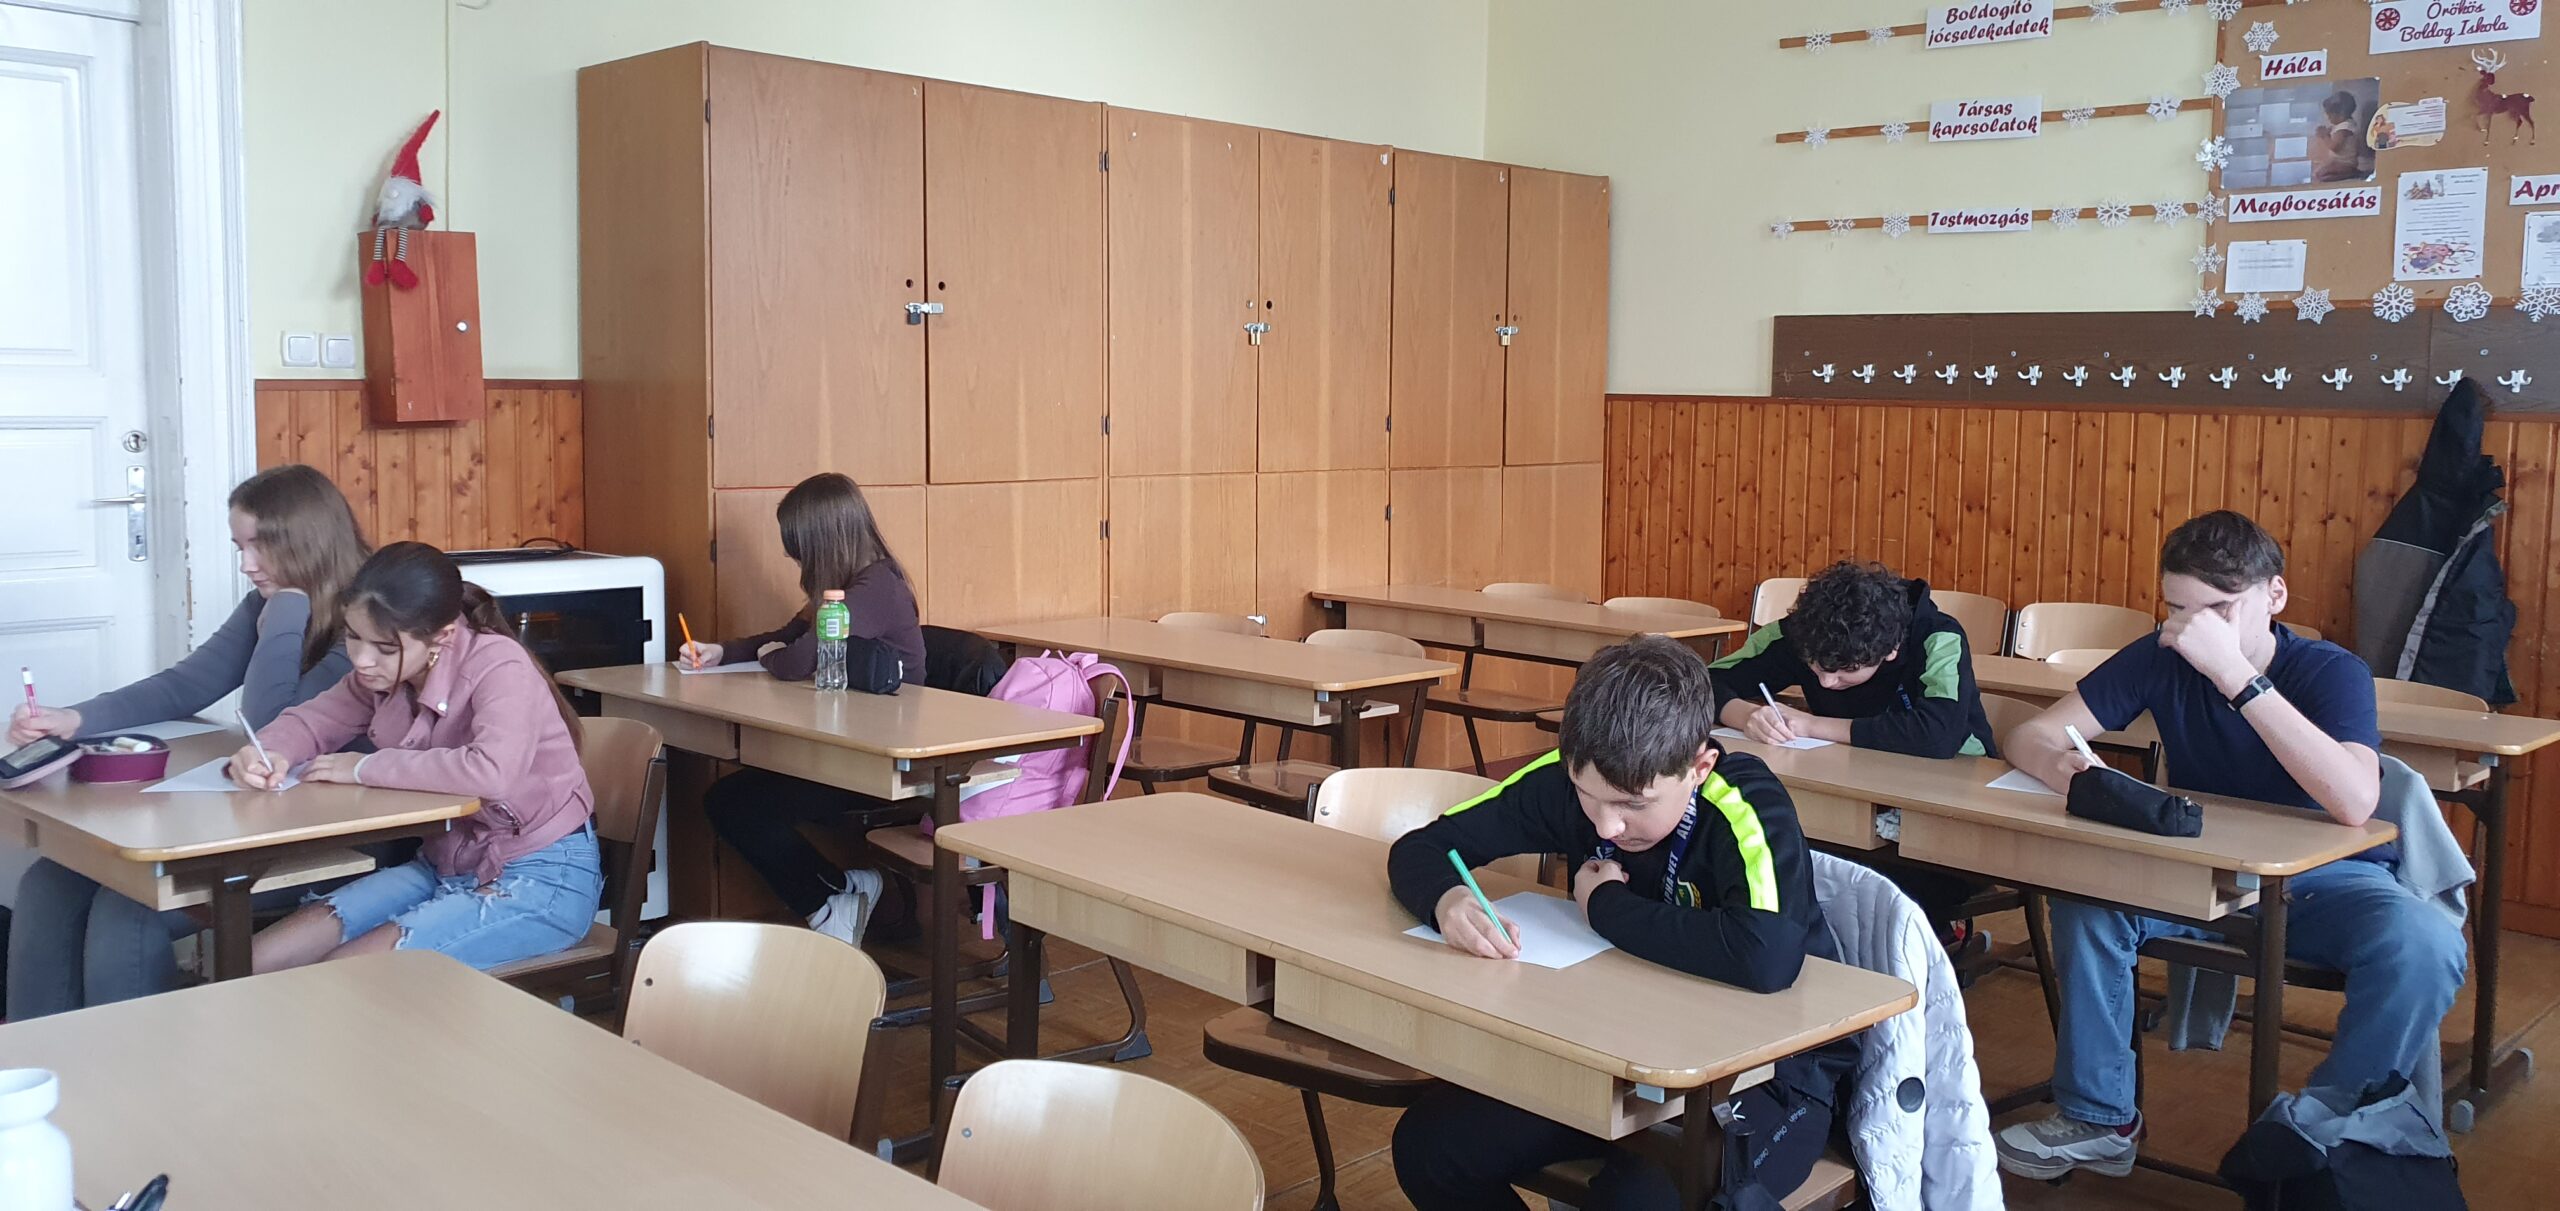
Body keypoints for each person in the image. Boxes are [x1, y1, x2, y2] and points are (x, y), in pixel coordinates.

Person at [1993, 511, 2464, 1180]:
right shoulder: (2160, 653)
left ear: (2275, 596)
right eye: (2179, 609)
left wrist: (2237, 678)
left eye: (2218, 609)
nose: (2194, 628)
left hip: (2325, 879)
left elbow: (2355, 800)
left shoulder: (2332, 671)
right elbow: (2030, 734)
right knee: (2087, 897)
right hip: (2199, 867)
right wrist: (2062, 767)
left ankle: (2328, 1132)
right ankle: (2101, 1117)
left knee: (2425, 944)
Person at [1384, 636, 1849, 1210]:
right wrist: (1447, 899)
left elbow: (1766, 957)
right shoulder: (1575, 772)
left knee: (1637, 1200)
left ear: (1699, 767)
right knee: (1431, 1148)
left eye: (1633, 805)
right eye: (1588, 795)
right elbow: (1423, 848)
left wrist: (1604, 905)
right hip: (1612, 1054)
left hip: (1767, 1075)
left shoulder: (1747, 805)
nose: (1606, 826)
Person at [4, 465, 370, 1017]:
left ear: (306, 541)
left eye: (260, 547)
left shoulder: (368, 620)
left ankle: (138, 1071)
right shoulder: (268, 603)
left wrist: (288, 606)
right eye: (240, 547)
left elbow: (270, 725)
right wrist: (74, 719)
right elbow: (187, 684)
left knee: (126, 911)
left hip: (349, 836)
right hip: (267, 818)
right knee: (49, 883)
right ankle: (36, 1061)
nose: (246, 565)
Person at [239, 542, 601, 972]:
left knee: (344, 974)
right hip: (444, 865)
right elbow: (312, 721)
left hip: (542, 874)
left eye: (384, 648)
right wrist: (266, 751)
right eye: (353, 637)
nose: (362, 660)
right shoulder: (379, 676)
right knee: (254, 961)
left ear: (441, 637)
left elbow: (492, 773)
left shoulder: (500, 665)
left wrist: (363, 768)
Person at [678, 473, 927, 945]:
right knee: (732, 800)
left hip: (883, 767)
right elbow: (786, 638)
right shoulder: (845, 588)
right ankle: (839, 892)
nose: (795, 559)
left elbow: (794, 660)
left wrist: (771, 656)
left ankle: (827, 902)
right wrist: (722, 652)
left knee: (736, 805)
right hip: (848, 747)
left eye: (798, 549)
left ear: (821, 543)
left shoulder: (875, 589)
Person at [1709, 561, 1999, 951]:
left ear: (1891, 650)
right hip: (1850, 800)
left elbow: (1937, 735)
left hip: (1950, 818)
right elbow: (1700, 684)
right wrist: (1744, 714)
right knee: (1784, 852)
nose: (1827, 681)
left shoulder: (1938, 636)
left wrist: (1814, 725)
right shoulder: (1804, 632)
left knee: (1872, 878)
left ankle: (1928, 946)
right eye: (1815, 668)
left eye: (1846, 672)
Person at [2312, 90, 2373, 183]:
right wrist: (2327, 132)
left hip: (2344, 163)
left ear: (2341, 115)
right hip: (2339, 161)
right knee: (2318, 173)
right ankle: (2351, 173)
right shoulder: (2345, 124)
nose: (2328, 118)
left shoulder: (2344, 128)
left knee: (2320, 175)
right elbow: (2333, 133)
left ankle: (2352, 174)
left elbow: (2334, 147)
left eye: (2330, 116)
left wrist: (2324, 136)